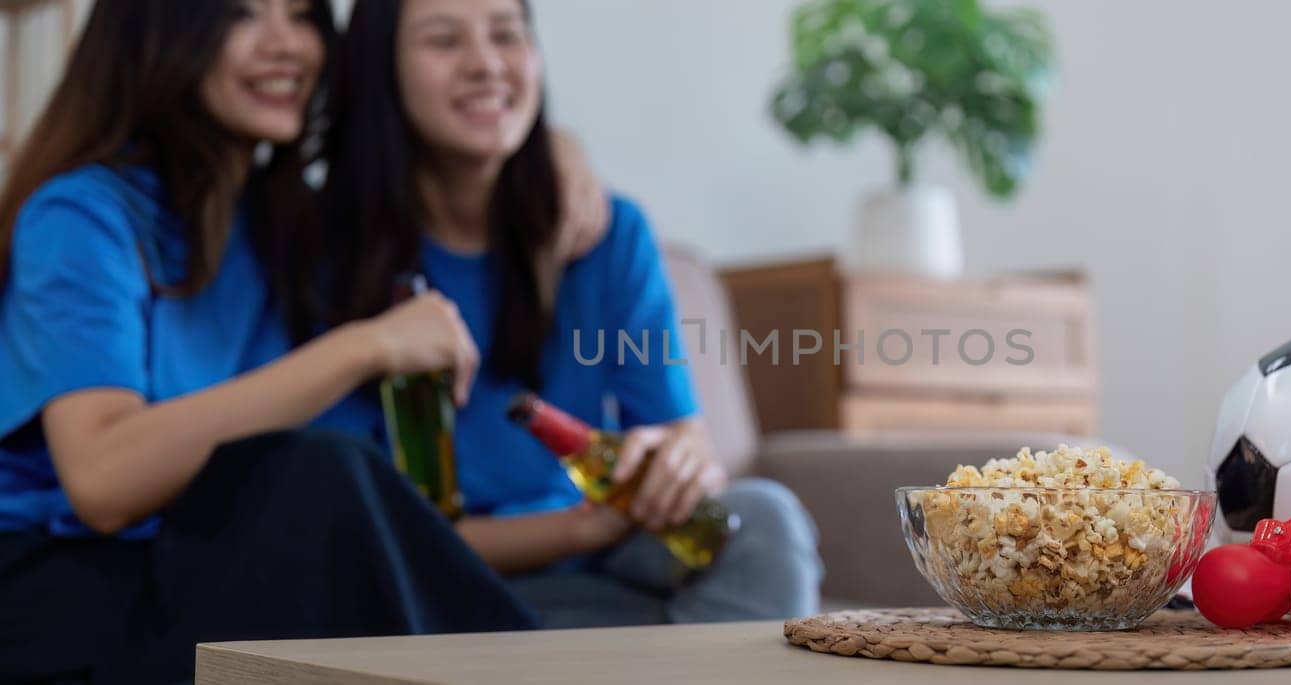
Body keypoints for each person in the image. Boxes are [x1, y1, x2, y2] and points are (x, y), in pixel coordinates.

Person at [0, 0, 620, 680]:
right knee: (317, 474)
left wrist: (556, 150)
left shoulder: (281, 222)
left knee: (328, 496)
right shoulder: (82, 216)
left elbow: (416, 156)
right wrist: (363, 346)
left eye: (301, 16)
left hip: (191, 568)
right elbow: (103, 479)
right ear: (162, 31)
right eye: (242, 14)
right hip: (63, 591)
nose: (287, 45)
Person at [309, 0, 822, 628]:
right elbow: (368, 533)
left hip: (605, 571)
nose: (487, 64)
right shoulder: (323, 256)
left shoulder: (607, 233)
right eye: (444, 41)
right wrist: (580, 530)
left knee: (763, 518)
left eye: (507, 34)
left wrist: (684, 463)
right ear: (379, 70)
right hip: (433, 587)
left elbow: (681, 435)